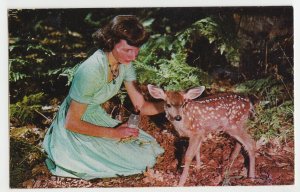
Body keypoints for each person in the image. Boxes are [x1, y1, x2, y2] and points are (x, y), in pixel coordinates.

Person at [42, 15, 164, 180]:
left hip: (93, 116)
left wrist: (172, 105)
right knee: (143, 159)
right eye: (128, 50)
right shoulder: (91, 71)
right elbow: (71, 122)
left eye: (137, 51)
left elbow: (141, 105)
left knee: (151, 148)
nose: (133, 57)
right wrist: (114, 133)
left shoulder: (124, 63)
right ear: (112, 42)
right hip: (74, 127)